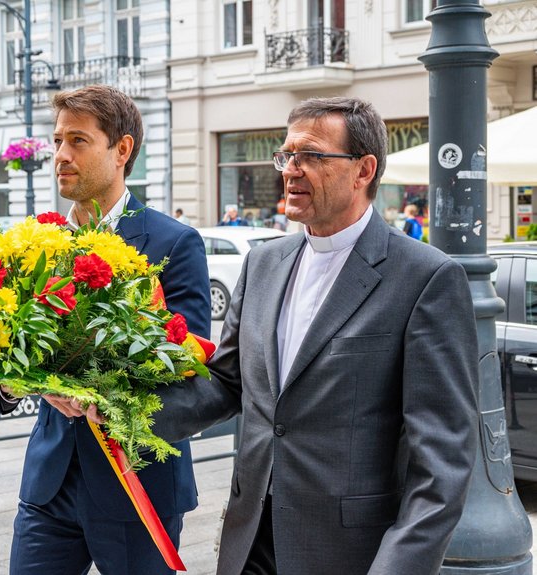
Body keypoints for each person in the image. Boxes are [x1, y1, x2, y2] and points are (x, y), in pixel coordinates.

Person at [147, 97, 478, 574]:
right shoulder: (263, 263)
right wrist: (121, 410)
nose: (291, 170)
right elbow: (228, 382)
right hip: (251, 540)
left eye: (311, 156)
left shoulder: (425, 277)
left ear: (364, 170)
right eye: (286, 156)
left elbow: (442, 466)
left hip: (348, 552)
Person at [0, 84, 211, 575]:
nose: (60, 155)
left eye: (78, 141)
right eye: (57, 141)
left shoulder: (173, 243)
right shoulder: (35, 243)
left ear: (122, 150)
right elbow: (11, 348)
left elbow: (189, 361)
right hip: (49, 485)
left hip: (138, 484)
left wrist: (99, 392)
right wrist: (22, 382)